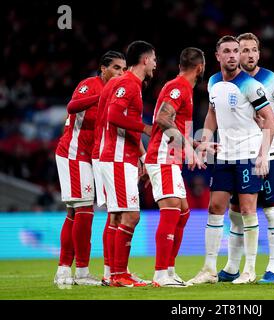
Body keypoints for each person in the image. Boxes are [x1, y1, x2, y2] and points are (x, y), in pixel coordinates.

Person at [188, 35, 274, 285]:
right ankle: (209, 269)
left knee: (248, 210)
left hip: (248, 155)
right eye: (226, 51)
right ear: (218, 56)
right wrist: (205, 139)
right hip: (224, 156)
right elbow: (212, 114)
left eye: (235, 51)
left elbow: (269, 118)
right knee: (215, 208)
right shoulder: (214, 82)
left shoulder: (250, 85)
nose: (232, 55)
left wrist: (263, 154)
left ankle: (249, 270)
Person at [217, 33, 274, 284]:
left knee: (271, 210)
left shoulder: (272, 80)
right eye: (244, 50)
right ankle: (231, 267)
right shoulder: (229, 82)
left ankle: (272, 269)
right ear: (235, 54)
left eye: (254, 50)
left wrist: (267, 123)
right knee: (235, 212)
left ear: (259, 54)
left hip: (269, 153)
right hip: (238, 155)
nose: (249, 55)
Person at [54, 51, 126, 287]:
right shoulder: (90, 84)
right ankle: (80, 271)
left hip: (92, 157)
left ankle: (64, 270)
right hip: (73, 153)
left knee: (75, 212)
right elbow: (72, 106)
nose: (120, 73)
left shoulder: (118, 95)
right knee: (84, 210)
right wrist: (100, 96)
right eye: (116, 68)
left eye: (123, 69)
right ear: (103, 69)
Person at [145, 47, 213, 287]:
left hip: (170, 158)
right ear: (200, 68)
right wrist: (189, 149)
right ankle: (160, 274)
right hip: (162, 158)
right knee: (173, 208)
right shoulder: (179, 87)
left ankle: (170, 270)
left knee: (183, 211)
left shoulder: (181, 87)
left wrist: (193, 143)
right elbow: (163, 120)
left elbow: (171, 124)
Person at [99, 40, 156, 287]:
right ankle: (119, 275)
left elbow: (121, 120)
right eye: (153, 59)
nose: (155, 64)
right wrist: (146, 128)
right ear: (144, 60)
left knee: (116, 217)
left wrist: (142, 155)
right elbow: (113, 115)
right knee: (131, 216)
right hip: (116, 158)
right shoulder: (128, 83)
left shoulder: (130, 84)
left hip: (120, 157)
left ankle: (113, 273)